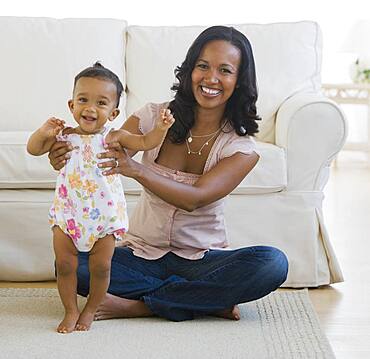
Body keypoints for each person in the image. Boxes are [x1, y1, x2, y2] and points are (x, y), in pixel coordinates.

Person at [48, 26, 288, 323]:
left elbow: (195, 199)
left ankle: (141, 306)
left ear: (238, 81)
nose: (211, 78)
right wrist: (67, 155)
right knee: (71, 264)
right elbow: (105, 151)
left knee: (271, 264)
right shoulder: (153, 117)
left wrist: (136, 170)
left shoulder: (240, 148)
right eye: (203, 66)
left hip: (201, 259)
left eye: (225, 70)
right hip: (140, 255)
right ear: (189, 70)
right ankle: (203, 300)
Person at [27, 62, 175, 332]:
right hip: (68, 214)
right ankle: (71, 310)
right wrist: (43, 131)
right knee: (65, 264)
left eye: (101, 102)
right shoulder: (64, 136)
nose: (90, 108)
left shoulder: (114, 137)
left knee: (101, 267)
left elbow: (144, 143)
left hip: (104, 218)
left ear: (114, 112)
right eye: (83, 100)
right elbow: (33, 149)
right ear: (71, 105)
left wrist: (161, 129)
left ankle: (92, 309)